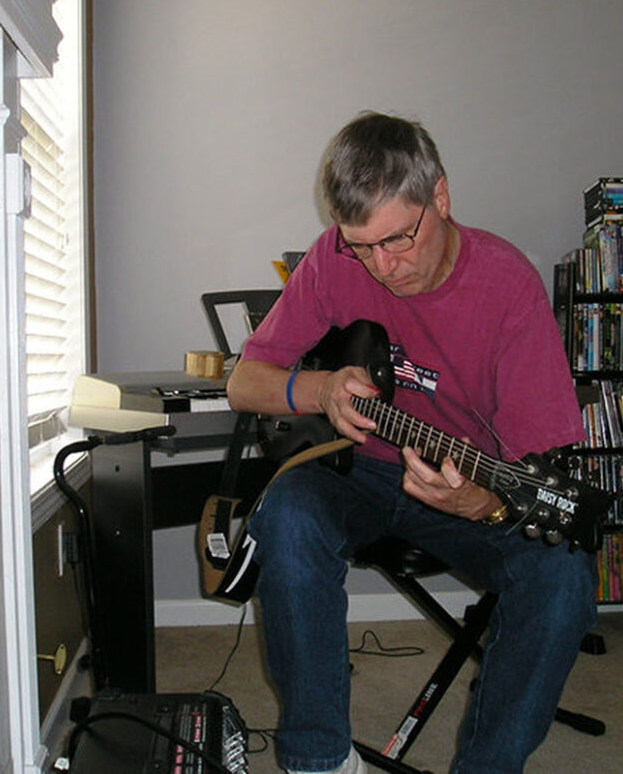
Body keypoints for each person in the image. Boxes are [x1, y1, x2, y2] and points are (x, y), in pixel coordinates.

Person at [225, 111, 596, 774]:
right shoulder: (335, 257)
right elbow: (244, 383)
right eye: (361, 245)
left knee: (563, 575)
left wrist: (482, 504)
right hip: (360, 473)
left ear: (441, 198)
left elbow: (538, 465)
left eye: (397, 239)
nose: (382, 265)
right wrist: (322, 392)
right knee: (285, 512)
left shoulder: (507, 285)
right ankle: (320, 759)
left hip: (471, 490)